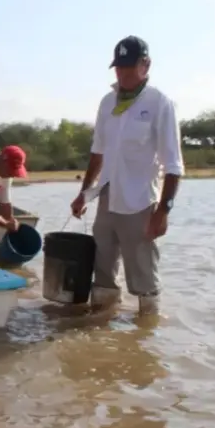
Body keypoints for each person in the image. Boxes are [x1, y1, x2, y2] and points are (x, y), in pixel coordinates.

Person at [70, 36, 184, 316]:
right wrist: (84, 193)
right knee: (103, 265)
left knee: (143, 273)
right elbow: (98, 152)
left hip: (140, 201)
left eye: (129, 68)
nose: (122, 74)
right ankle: (102, 317)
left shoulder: (160, 104)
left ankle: (146, 329)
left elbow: (173, 165)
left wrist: (163, 210)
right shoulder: (107, 102)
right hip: (107, 196)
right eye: (118, 68)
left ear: (145, 65)